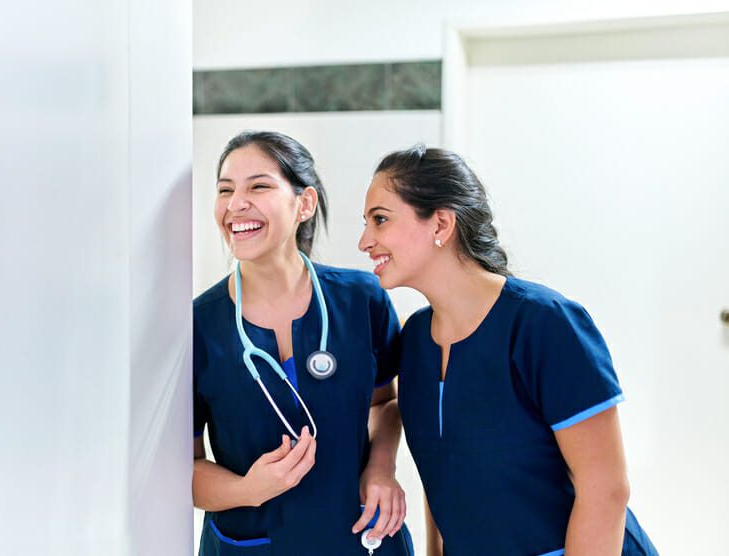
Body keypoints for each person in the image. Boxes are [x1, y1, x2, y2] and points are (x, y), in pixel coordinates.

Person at [358, 145, 658, 555]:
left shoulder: (545, 323)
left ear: (440, 224)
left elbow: (605, 491)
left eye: (380, 220)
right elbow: (444, 478)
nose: (364, 241)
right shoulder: (414, 342)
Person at [193, 131, 414, 555]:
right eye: (225, 190)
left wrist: (381, 468)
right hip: (251, 542)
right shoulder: (197, 325)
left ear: (304, 204)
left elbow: (383, 403)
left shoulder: (361, 299)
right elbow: (182, 471)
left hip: (360, 537)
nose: (236, 203)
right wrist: (247, 489)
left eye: (258, 185)